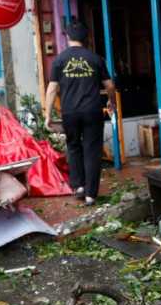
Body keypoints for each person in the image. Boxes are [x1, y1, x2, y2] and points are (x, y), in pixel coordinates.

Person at [44, 20, 117, 206]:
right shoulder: (95, 58)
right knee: (92, 151)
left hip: (70, 112)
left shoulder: (59, 60)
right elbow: (109, 85)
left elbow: (52, 89)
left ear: (68, 37)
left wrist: (47, 115)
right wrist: (111, 101)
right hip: (92, 111)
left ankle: (78, 186)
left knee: (74, 146)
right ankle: (91, 195)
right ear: (86, 39)